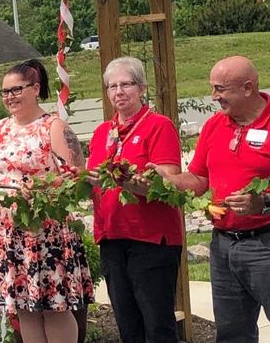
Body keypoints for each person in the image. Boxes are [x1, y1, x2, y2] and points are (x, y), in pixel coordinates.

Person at [154, 56, 270, 342]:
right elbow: (198, 180)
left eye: (220, 89)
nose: (214, 96)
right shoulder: (215, 126)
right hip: (224, 245)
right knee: (231, 333)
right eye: (213, 88)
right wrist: (163, 182)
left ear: (248, 88)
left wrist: (264, 203)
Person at [0, 59, 94, 343]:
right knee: (25, 307)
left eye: (16, 90)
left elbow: (77, 178)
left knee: (53, 306)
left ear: (36, 89)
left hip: (44, 232)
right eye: (5, 92)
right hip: (5, 233)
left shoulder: (54, 127)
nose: (9, 97)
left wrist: (40, 187)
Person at [84, 56, 183, 342]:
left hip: (150, 239)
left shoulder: (158, 126)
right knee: (127, 325)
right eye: (112, 86)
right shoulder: (103, 132)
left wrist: (134, 182)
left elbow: (167, 179)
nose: (119, 92)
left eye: (126, 84)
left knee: (157, 325)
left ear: (141, 88)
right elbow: (97, 180)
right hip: (112, 236)